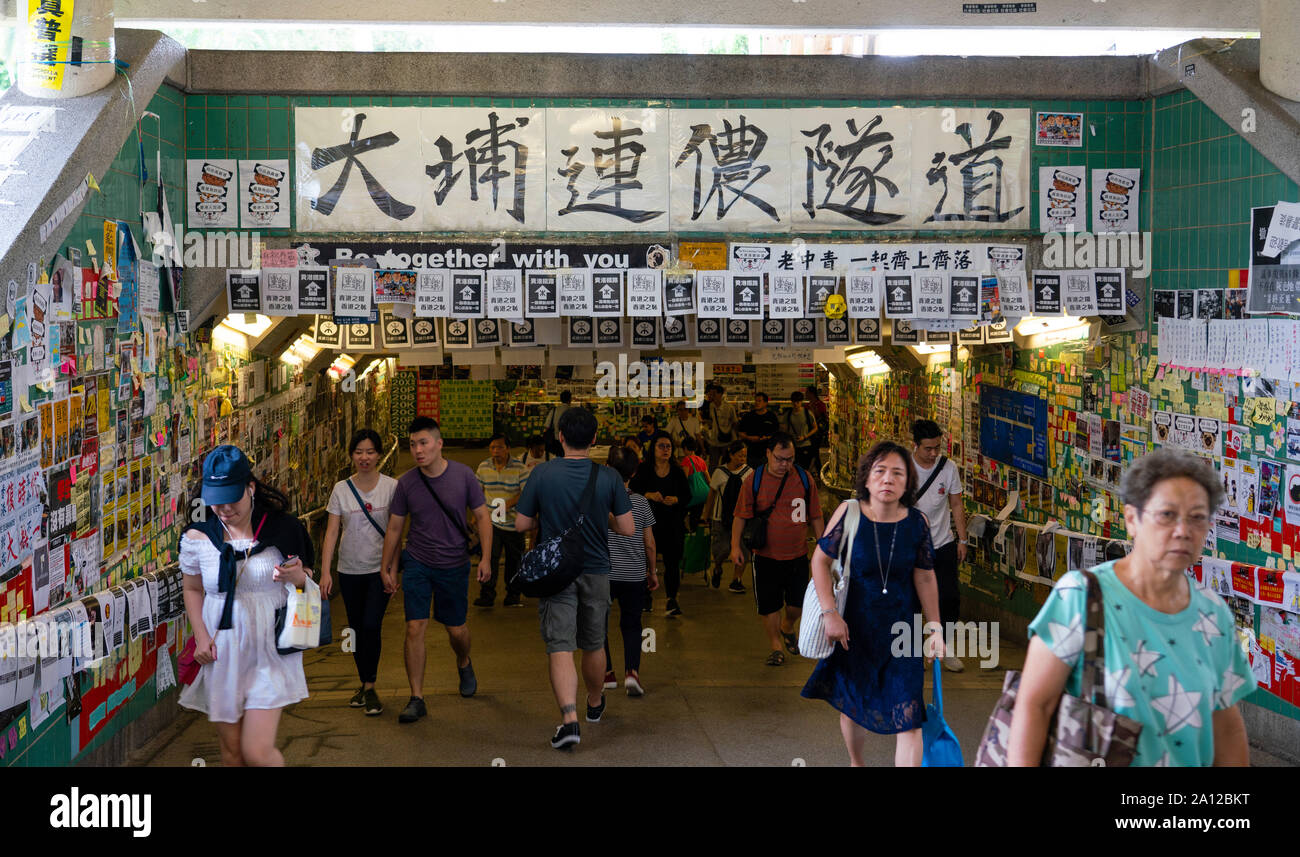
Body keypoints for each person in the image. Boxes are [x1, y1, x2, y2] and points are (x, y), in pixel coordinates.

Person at [1007, 449, 1255, 766]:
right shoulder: (1081, 597)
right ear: (1132, 519)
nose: (1183, 530)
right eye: (1167, 515)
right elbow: (1034, 706)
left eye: (1197, 517)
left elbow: (1226, 726)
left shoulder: (1213, 614)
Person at [801, 441, 945, 767]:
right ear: (867, 479)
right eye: (880, 471)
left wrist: (934, 626)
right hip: (854, 629)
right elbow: (820, 562)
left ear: (908, 482)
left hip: (902, 634)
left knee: (909, 717)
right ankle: (857, 762)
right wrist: (830, 613)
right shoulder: (850, 513)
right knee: (854, 707)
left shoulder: (917, 523)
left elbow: (924, 576)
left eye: (897, 473)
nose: (887, 480)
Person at [179, 445, 314, 766]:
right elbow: (193, 588)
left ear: (250, 488)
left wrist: (298, 578)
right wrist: (200, 636)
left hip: (271, 650)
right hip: (222, 651)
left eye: (232, 497)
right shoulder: (198, 537)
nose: (224, 508)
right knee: (233, 754)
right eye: (216, 499)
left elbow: (308, 586)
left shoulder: (283, 529)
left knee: (257, 751)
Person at [515, 407, 635, 750]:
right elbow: (627, 529)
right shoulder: (609, 477)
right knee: (594, 642)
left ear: (561, 437)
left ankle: (569, 720)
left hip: (556, 572)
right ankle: (594, 704)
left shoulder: (542, 473)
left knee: (560, 645)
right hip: (597, 570)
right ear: (595, 439)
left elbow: (522, 524)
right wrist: (603, 518)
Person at [380, 417, 492, 724]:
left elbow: (482, 517)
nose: (417, 450)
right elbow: (394, 527)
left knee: (457, 630)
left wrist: (485, 559)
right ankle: (416, 697)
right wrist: (386, 567)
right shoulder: (406, 484)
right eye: (413, 444)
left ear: (439, 444)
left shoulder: (463, 476)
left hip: (454, 565)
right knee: (415, 627)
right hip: (417, 561)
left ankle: (464, 660)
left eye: (423, 443)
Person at [319, 429, 397, 716]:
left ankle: (370, 685)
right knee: (355, 628)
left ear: (378, 454)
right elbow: (330, 533)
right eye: (359, 452)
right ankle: (366, 685)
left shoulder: (391, 487)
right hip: (348, 570)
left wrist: (393, 570)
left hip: (378, 570)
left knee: (370, 625)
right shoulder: (341, 489)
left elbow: (396, 532)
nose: (364, 457)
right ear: (351, 455)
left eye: (370, 452)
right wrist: (325, 573)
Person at [732, 433, 824, 666]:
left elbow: (816, 515)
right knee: (769, 603)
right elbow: (740, 516)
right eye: (780, 459)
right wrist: (735, 546)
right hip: (765, 556)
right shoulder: (754, 480)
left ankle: (787, 625)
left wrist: (824, 548)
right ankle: (775, 646)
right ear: (768, 454)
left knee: (797, 604)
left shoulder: (804, 479)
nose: (785, 464)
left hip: (798, 555)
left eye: (790, 459)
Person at [909, 419, 969, 673]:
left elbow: (955, 504)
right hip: (910, 546)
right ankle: (911, 652)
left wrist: (963, 539)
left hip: (942, 543)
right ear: (915, 445)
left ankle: (943, 648)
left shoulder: (948, 468)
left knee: (949, 599)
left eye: (937, 447)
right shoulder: (903, 467)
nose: (933, 453)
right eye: (928, 449)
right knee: (911, 601)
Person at [601, 446, 658, 696]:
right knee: (633, 624)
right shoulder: (641, 502)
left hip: (604, 573)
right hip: (634, 574)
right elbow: (649, 543)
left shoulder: (599, 500)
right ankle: (631, 673)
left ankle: (607, 673)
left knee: (598, 624)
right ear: (634, 472)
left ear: (607, 468)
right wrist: (652, 571)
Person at [631, 431, 691, 617]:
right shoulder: (644, 470)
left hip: (672, 525)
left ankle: (671, 600)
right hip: (649, 525)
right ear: (653, 449)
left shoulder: (677, 472)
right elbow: (633, 490)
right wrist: (648, 495)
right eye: (661, 446)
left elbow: (687, 496)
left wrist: (677, 500)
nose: (665, 450)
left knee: (672, 564)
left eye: (669, 447)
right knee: (646, 563)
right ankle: (646, 596)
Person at [475, 434, 529, 608]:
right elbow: (477, 492)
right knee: (490, 558)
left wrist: (506, 505)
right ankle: (487, 595)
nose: (495, 451)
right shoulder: (483, 467)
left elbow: (525, 493)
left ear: (508, 449)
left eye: (499, 447)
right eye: (492, 448)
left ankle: (513, 595)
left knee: (514, 560)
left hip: (514, 524)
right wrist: (476, 516)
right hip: (491, 523)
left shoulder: (520, 468)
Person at [705, 440, 751, 593]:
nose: (742, 459)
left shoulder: (750, 473)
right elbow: (711, 495)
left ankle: (736, 580)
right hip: (720, 519)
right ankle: (717, 568)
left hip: (743, 518)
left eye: (744, 456)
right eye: (739, 455)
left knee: (743, 550)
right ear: (731, 455)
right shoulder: (719, 472)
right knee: (722, 550)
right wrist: (706, 515)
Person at [738, 392, 780, 469]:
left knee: (765, 475)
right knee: (751, 475)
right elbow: (740, 433)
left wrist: (766, 438)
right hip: (750, 453)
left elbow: (776, 434)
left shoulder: (771, 416)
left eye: (759, 401)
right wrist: (749, 438)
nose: (756, 403)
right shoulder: (748, 416)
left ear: (765, 403)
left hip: (766, 453)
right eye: (756, 401)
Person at [704, 384, 740, 471]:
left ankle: (725, 481)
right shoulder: (709, 406)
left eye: (714, 393)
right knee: (712, 464)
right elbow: (708, 420)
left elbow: (735, 423)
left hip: (727, 441)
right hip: (714, 441)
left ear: (720, 394)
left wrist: (736, 438)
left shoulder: (729, 407)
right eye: (710, 393)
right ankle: (712, 482)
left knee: (727, 464)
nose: (712, 395)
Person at [783, 391, 819, 472]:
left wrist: (805, 436)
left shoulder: (807, 413)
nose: (796, 404)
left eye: (798, 402)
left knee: (804, 468)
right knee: (794, 469)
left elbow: (815, 428)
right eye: (794, 402)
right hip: (793, 446)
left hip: (806, 444)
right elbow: (785, 429)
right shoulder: (788, 414)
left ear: (801, 402)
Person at [679, 437, 709, 530]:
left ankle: (687, 536)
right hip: (704, 494)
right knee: (695, 518)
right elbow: (708, 479)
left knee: (681, 514)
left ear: (685, 448)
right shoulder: (701, 460)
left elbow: (684, 479)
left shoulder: (687, 460)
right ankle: (695, 535)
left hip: (693, 495)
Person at [806, 385, 829, 476]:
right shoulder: (807, 405)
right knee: (814, 452)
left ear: (811, 394)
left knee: (814, 451)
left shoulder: (820, 404)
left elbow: (823, 418)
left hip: (817, 433)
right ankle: (817, 471)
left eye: (807, 392)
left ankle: (815, 470)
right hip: (809, 432)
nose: (805, 394)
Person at [542, 391, 573, 457]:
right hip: (568, 442)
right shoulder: (572, 412)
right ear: (570, 399)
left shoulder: (554, 410)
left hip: (555, 442)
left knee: (556, 459)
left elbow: (547, 426)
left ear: (560, 399)